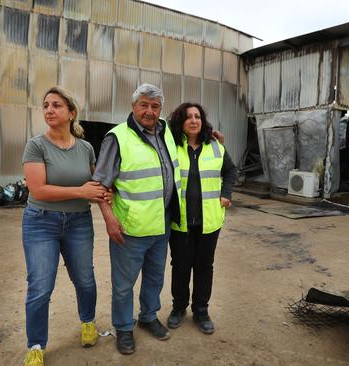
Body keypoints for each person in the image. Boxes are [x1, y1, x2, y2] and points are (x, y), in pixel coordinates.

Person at [21, 86, 108, 366]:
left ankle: (88, 323)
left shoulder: (85, 148)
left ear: (71, 113)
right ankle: (36, 345)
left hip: (79, 223)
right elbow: (39, 190)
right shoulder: (36, 145)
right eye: (45, 105)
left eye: (56, 105)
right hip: (41, 222)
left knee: (84, 279)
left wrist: (106, 197)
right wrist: (82, 192)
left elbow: (96, 185)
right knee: (40, 287)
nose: (49, 110)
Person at [92, 83, 181, 355]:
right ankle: (124, 328)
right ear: (133, 106)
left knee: (155, 278)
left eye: (155, 106)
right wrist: (109, 218)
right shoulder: (117, 138)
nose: (149, 111)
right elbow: (99, 187)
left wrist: (214, 137)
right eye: (144, 105)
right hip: (129, 229)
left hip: (161, 224)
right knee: (123, 285)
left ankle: (148, 317)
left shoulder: (165, 130)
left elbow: (193, 132)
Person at [165, 102, 237, 335]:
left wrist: (226, 194)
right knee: (181, 267)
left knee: (205, 267)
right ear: (180, 122)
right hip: (180, 221)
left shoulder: (215, 146)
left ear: (202, 120)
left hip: (209, 221)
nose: (193, 120)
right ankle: (178, 308)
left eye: (197, 116)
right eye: (188, 117)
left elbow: (231, 171)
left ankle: (201, 311)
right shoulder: (171, 146)